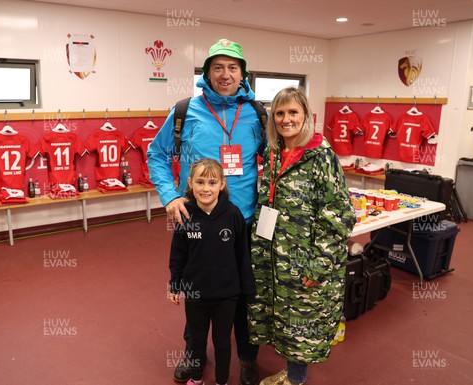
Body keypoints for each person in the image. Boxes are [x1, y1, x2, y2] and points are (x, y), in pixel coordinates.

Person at [147, 38, 265, 385]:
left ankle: (246, 358)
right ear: (207, 73)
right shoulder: (186, 111)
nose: (225, 74)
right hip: (195, 220)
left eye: (232, 67)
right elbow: (156, 153)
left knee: (243, 291)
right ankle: (194, 356)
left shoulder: (258, 114)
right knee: (196, 290)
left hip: (242, 221)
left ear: (243, 73)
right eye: (218, 67)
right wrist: (170, 196)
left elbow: (277, 161)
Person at [248, 87, 356, 385]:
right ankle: (291, 372)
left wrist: (319, 264)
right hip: (274, 254)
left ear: (306, 116)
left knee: (301, 320)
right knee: (283, 315)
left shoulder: (321, 156)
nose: (286, 119)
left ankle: (296, 379)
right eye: (279, 113)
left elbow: (339, 215)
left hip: (305, 257)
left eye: (293, 112)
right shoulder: (272, 152)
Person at [169, 158, 256, 385]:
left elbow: (242, 256)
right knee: (197, 342)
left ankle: (221, 380)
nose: (206, 188)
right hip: (195, 295)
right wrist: (175, 284)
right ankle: (196, 378)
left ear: (222, 184)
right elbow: (178, 255)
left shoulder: (233, 214)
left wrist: (248, 290)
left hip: (226, 296)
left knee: (222, 342)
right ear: (190, 183)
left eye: (212, 182)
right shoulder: (185, 215)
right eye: (200, 182)